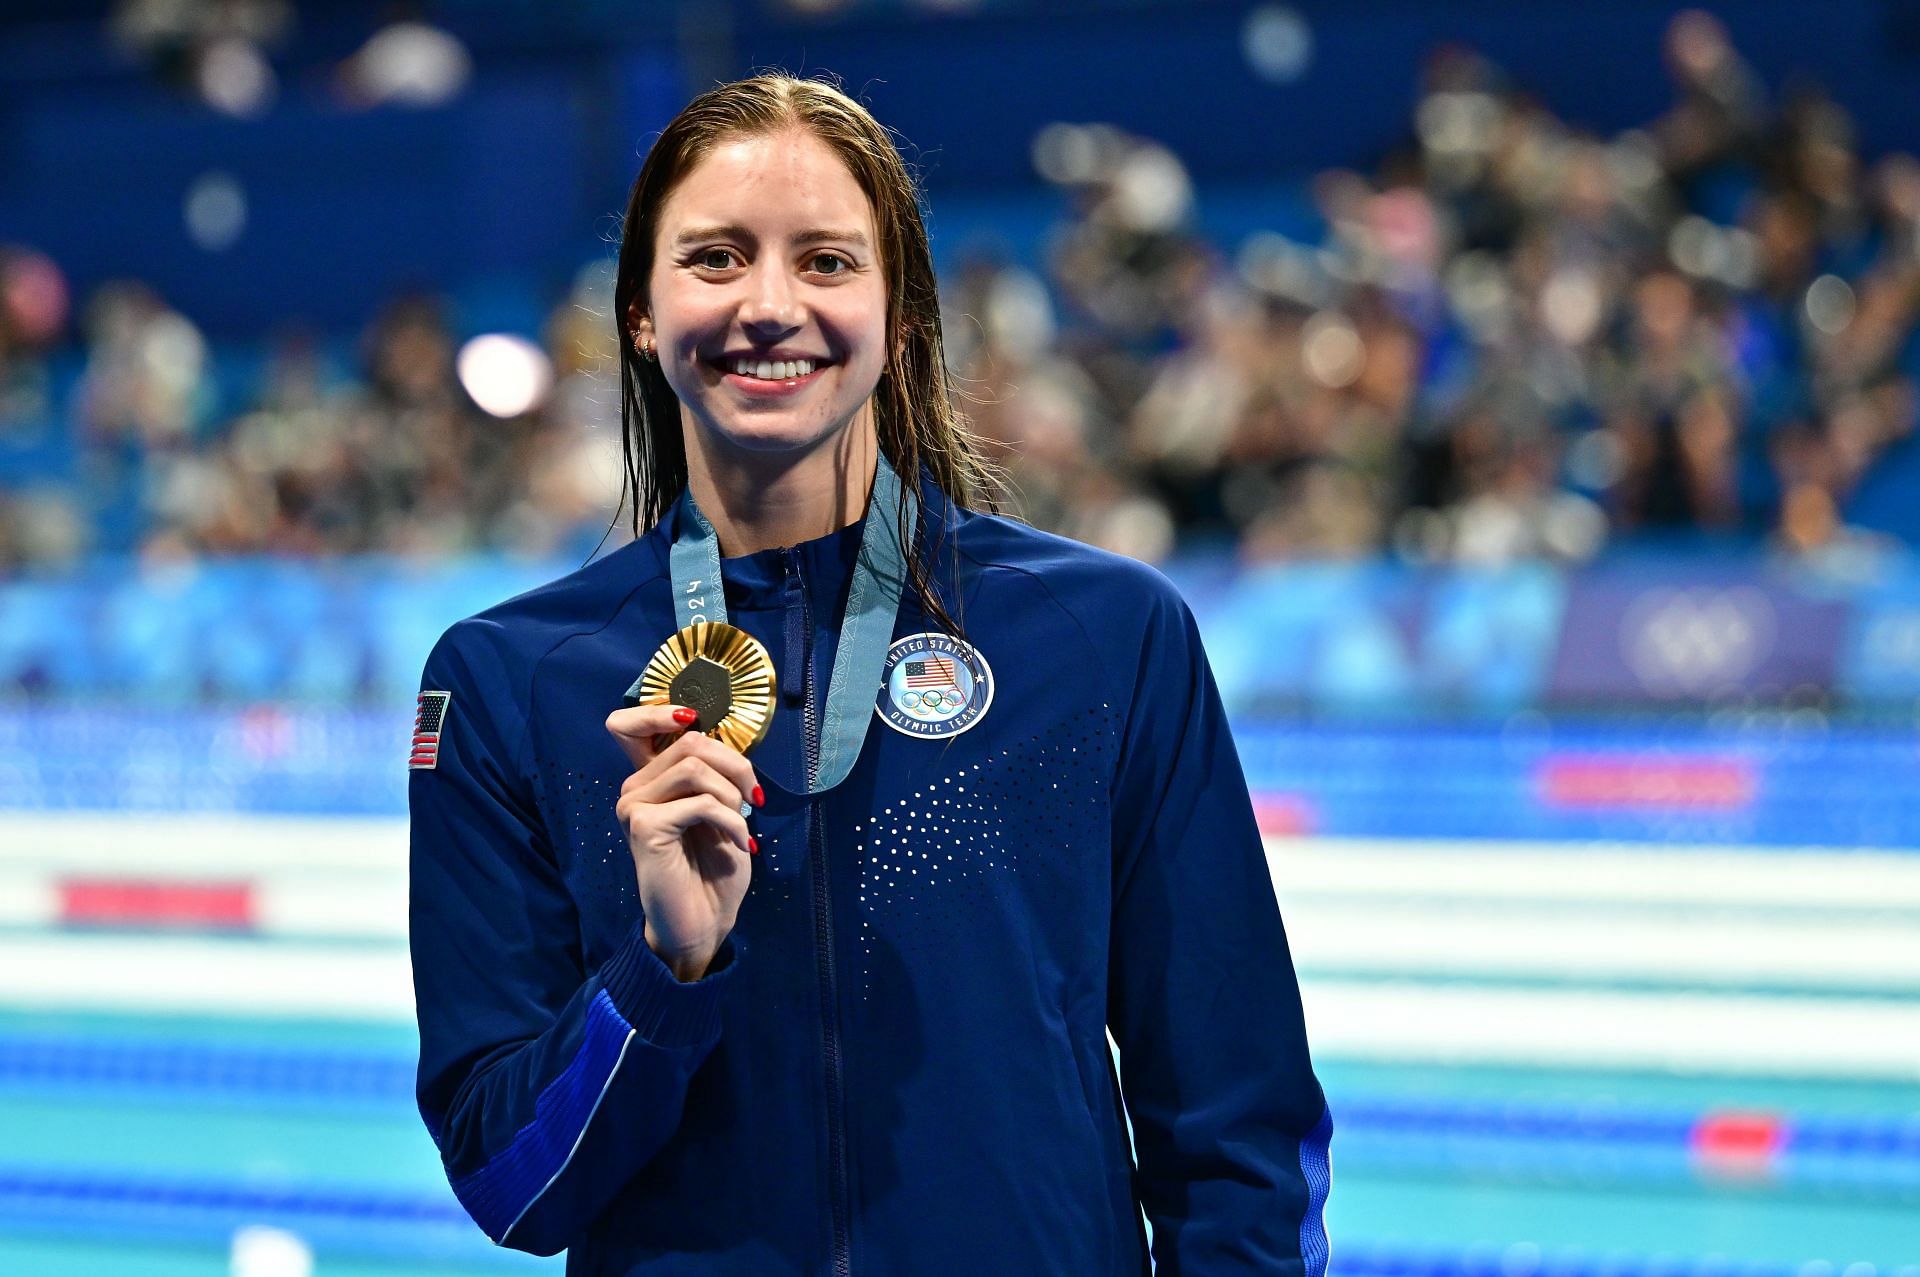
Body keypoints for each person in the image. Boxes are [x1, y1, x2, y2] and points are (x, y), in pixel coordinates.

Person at [408, 72, 1331, 1275]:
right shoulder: (511, 680)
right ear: (639, 308)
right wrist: (662, 971)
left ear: (900, 315)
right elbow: (508, 1181)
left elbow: (1234, 1121)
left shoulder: (1102, 636)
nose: (771, 304)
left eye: (829, 261)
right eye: (718, 258)